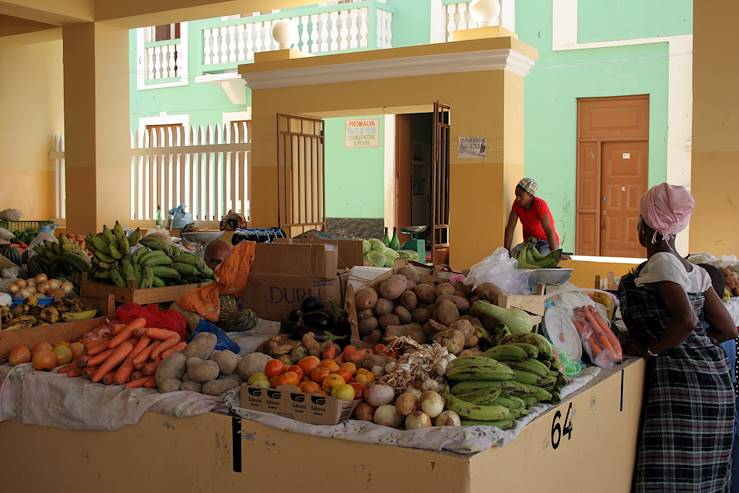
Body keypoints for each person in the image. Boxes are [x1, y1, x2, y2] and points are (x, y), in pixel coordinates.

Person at [617, 183, 738, 492]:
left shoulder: (662, 263)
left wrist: (650, 349)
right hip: (715, 385)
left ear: (647, 226)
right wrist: (695, 346)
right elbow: (727, 329)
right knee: (701, 481)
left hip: (682, 389)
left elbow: (686, 319)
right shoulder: (694, 270)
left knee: (667, 480)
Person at [504, 178, 560, 255]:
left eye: (520, 196)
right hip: (530, 242)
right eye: (516, 195)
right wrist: (506, 252)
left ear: (530, 195)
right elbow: (510, 228)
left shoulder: (540, 205)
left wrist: (555, 254)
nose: (517, 198)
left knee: (541, 259)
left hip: (546, 242)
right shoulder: (517, 204)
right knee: (514, 256)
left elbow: (549, 231)